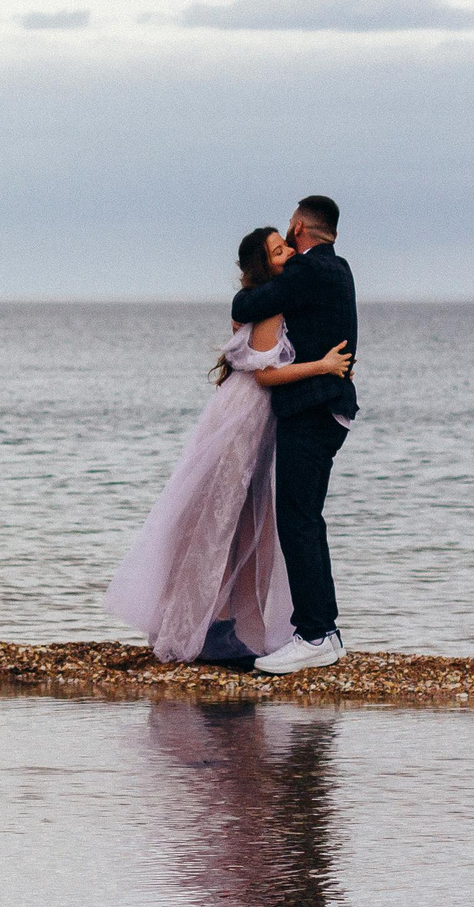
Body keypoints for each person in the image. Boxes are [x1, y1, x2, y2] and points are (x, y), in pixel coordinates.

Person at [103, 225, 353, 664]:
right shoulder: (272, 304)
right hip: (245, 417)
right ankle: (207, 627)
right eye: (279, 251)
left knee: (234, 521)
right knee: (221, 518)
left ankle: (217, 624)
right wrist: (324, 365)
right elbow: (265, 375)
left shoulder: (268, 299)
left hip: (247, 414)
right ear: (265, 263)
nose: (289, 253)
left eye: (288, 246)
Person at [229, 194, 358, 675]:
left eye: (289, 229)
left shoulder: (308, 270)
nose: (287, 236)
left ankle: (315, 634)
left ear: (300, 226)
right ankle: (324, 633)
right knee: (305, 518)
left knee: (299, 520)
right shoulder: (339, 268)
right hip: (326, 408)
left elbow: (245, 303)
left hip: (313, 408)